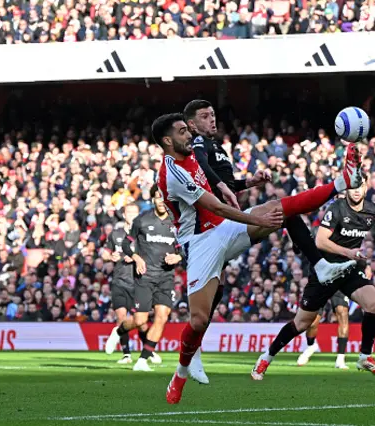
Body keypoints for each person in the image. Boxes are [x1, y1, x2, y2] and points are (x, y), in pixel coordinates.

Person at [152, 113, 362, 404]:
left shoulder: (194, 155)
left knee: (280, 208)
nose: (189, 135)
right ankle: (181, 372)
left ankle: (342, 182)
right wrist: (252, 217)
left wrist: (246, 186)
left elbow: (219, 187)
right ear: (167, 140)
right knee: (199, 321)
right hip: (200, 243)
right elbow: (217, 206)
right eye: (182, 131)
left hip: (223, 229)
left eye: (189, 130)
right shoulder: (172, 173)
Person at [250, 179, 375, 381]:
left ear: (366, 188)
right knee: (301, 323)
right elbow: (320, 241)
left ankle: (364, 356)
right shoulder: (337, 208)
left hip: (349, 270)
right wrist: (348, 252)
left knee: (373, 304)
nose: (356, 191)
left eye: (360, 187)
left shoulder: (373, 210)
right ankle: (266, 357)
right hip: (326, 270)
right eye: (353, 187)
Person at [104, 188, 183, 372]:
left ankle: (142, 360)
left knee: (162, 317)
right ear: (153, 199)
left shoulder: (176, 223)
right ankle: (119, 330)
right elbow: (125, 243)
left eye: (165, 198)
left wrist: (178, 258)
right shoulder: (142, 220)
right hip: (144, 277)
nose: (162, 201)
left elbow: (184, 249)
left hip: (166, 277)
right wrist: (137, 257)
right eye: (158, 197)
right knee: (140, 321)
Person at [102, 203, 161, 365]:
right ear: (124, 214)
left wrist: (135, 256)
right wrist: (110, 257)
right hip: (120, 281)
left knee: (140, 322)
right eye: (129, 212)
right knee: (121, 317)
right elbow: (104, 252)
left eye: (135, 212)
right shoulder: (115, 234)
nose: (132, 215)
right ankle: (126, 354)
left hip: (138, 282)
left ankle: (148, 350)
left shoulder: (143, 234)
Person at [296, 291, 351, 370]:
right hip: (322, 285)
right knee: (312, 323)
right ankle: (311, 346)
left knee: (342, 314)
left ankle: (340, 358)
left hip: (340, 285)